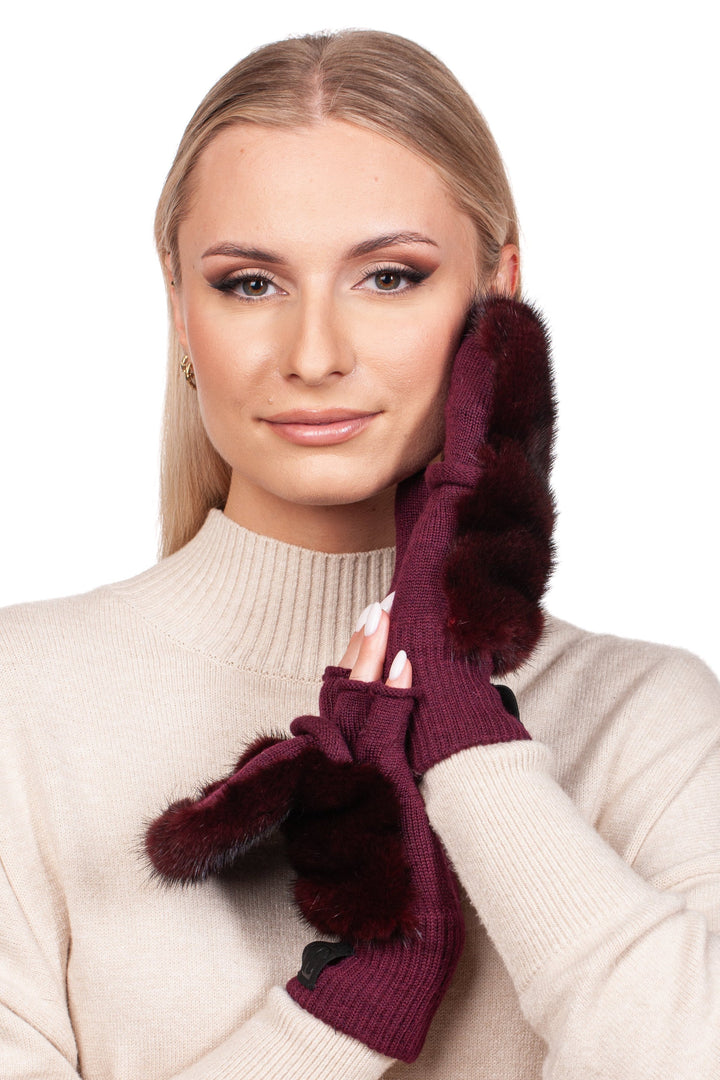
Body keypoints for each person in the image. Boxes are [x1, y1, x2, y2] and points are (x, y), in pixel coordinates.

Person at [1, 28, 718, 1080]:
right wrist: (342, 1017)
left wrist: (474, 754)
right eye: (251, 283)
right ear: (178, 307)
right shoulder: (25, 701)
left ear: (497, 295)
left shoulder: (649, 718)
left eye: (389, 277)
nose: (315, 355)